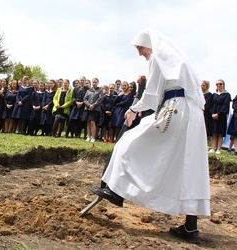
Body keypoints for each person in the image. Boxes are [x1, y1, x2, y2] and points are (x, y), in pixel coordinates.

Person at [90, 28, 210, 245]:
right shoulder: (178, 59)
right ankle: (191, 228)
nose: (140, 53)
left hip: (175, 109)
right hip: (191, 115)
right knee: (188, 166)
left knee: (128, 142)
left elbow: (152, 94)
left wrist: (134, 109)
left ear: (150, 44)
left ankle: (117, 191)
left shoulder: (159, 57)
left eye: (140, 48)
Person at [207, 79, 231, 154]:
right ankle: (213, 148)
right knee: (213, 132)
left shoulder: (227, 95)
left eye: (220, 84)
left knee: (220, 133)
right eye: (217, 84)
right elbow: (210, 105)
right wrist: (212, 114)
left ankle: (218, 149)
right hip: (213, 116)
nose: (219, 85)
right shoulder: (213, 95)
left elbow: (225, 106)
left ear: (223, 85)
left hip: (221, 116)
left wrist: (218, 114)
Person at [82, 77, 103, 142]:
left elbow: (100, 99)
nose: (94, 83)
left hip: (95, 108)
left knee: (92, 122)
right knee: (88, 122)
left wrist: (93, 105)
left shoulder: (100, 90)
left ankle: (93, 137)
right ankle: (88, 136)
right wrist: (89, 105)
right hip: (87, 108)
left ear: (98, 83)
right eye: (93, 82)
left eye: (95, 82)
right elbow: (85, 99)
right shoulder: (88, 90)